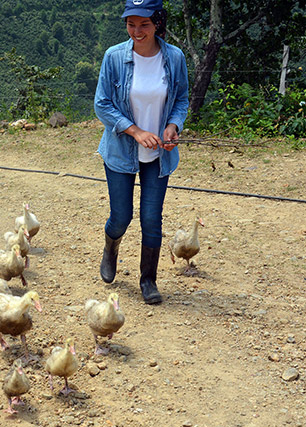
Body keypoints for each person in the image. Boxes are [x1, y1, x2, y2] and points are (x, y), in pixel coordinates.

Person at [94, 0, 189, 304]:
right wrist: (135, 131)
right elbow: (102, 104)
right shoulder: (114, 57)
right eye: (131, 24)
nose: (137, 31)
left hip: (159, 154)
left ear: (157, 23)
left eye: (144, 24)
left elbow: (181, 99)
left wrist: (173, 126)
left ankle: (148, 280)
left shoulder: (173, 58)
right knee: (121, 217)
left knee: (152, 219)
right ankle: (111, 247)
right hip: (122, 150)